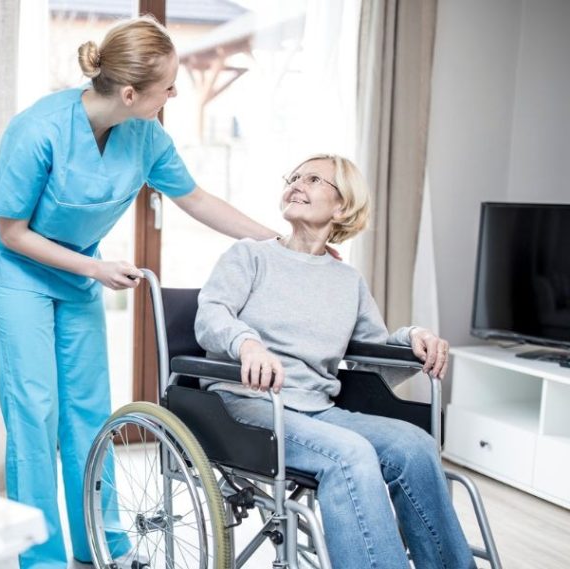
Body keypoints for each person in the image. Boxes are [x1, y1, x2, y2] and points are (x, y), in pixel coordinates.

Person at [0, 15, 279, 569]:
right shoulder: (37, 130)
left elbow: (199, 201)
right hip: (17, 271)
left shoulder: (146, 136)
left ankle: (102, 544)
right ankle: (40, 557)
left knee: (90, 411)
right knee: (35, 412)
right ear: (133, 92)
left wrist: (277, 241)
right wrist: (95, 271)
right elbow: (11, 232)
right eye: (168, 84)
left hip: (78, 272)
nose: (176, 91)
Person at [195, 154, 474, 569]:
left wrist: (413, 339)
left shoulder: (347, 281)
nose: (296, 184)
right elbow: (211, 314)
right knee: (351, 453)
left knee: (415, 446)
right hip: (247, 404)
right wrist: (247, 344)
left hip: (319, 409)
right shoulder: (250, 256)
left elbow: (374, 354)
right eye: (293, 177)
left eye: (313, 179)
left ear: (342, 206)